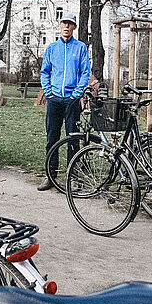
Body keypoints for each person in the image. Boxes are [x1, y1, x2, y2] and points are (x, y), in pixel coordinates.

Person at [37, 12, 91, 191]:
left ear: (74, 27)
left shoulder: (81, 48)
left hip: (72, 101)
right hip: (54, 100)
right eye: (64, 23)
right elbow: (44, 71)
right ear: (60, 25)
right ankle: (49, 175)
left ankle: (73, 177)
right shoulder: (52, 48)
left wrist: (76, 93)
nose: (67, 27)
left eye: (70, 24)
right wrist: (48, 91)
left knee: (73, 139)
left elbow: (85, 73)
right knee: (52, 138)